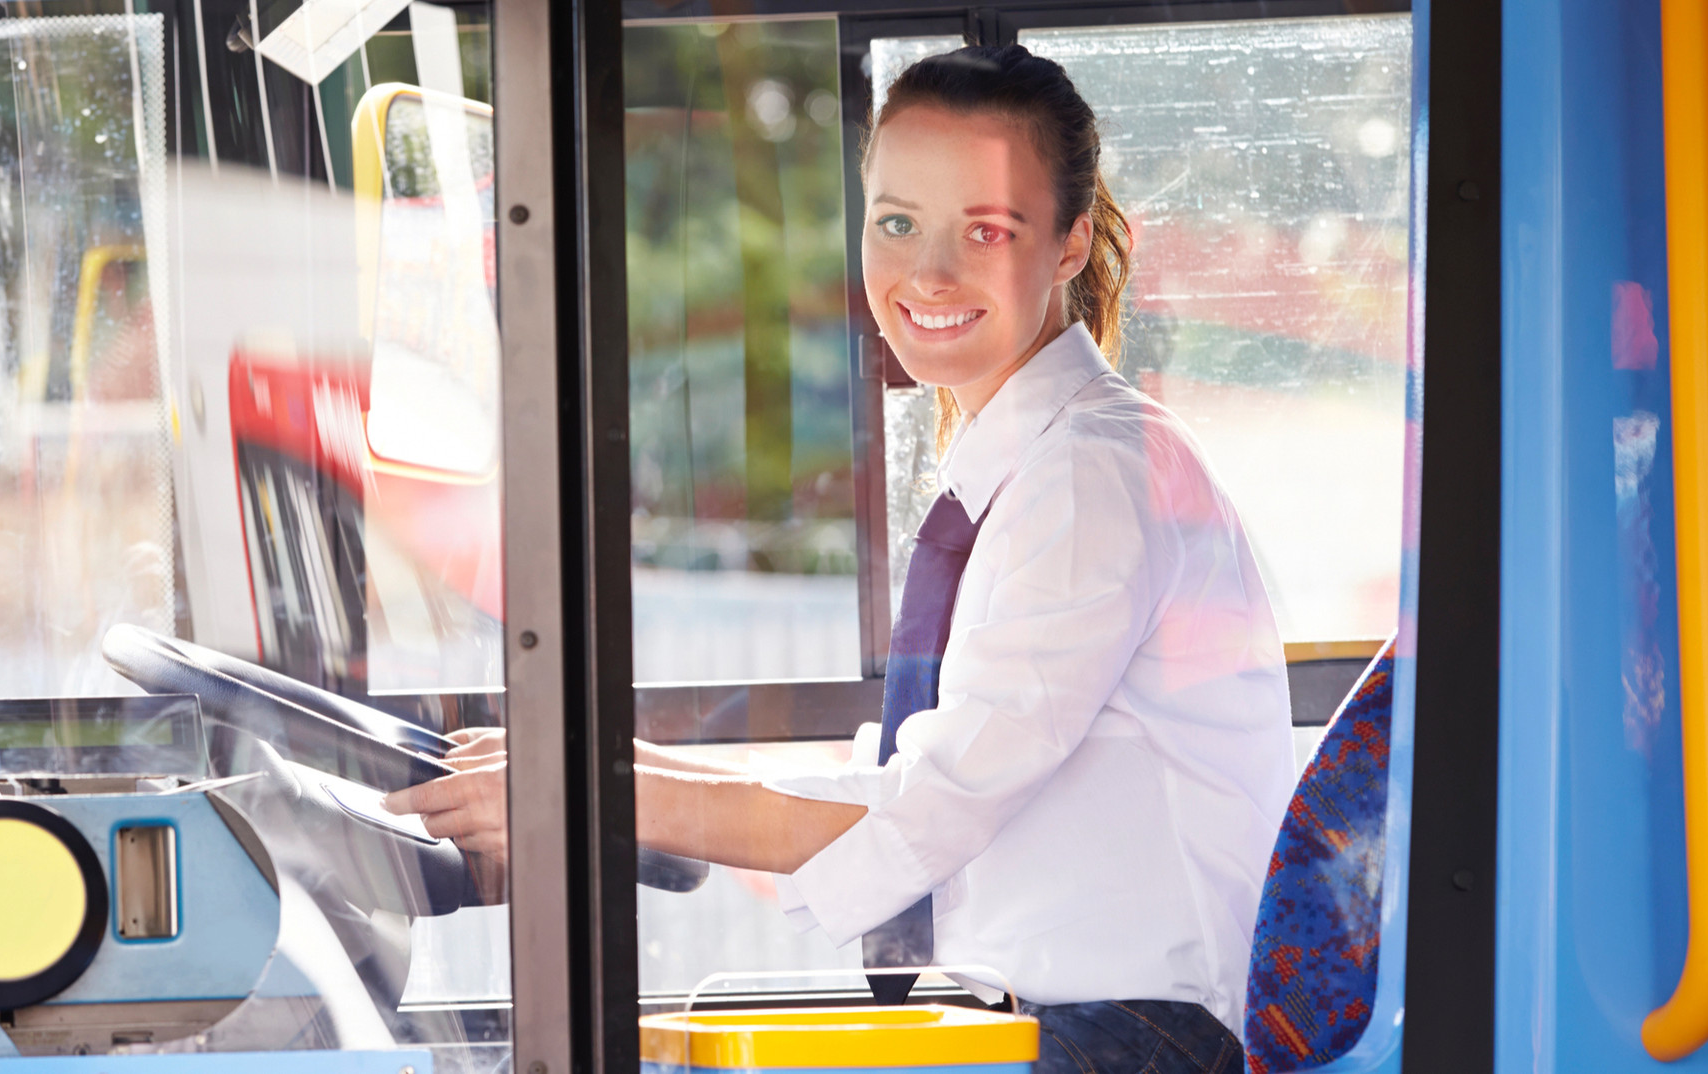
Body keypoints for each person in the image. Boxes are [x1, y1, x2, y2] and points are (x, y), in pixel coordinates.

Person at [386, 44, 1295, 1074]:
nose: (930, 273)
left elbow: (928, 807)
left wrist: (578, 794)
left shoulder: (1091, 480)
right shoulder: (1024, 465)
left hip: (1141, 1041)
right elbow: (915, 778)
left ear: (1072, 241)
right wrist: (602, 775)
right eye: (897, 223)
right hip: (1048, 1018)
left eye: (986, 229)